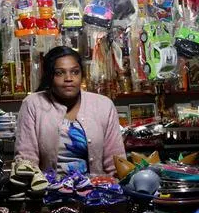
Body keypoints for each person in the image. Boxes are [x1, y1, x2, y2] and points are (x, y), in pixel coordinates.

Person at [15, 46, 126, 174]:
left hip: (97, 190)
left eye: (75, 72)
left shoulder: (103, 106)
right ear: (50, 76)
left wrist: (114, 187)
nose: (69, 78)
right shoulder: (33, 104)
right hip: (48, 190)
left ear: (82, 75)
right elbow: (27, 160)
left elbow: (116, 162)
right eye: (59, 73)